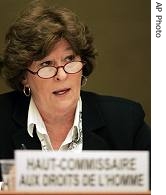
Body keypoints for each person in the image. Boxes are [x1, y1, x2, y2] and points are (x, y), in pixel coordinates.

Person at [0, 0, 150, 180]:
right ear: (24, 77)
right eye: (47, 64)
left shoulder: (125, 122)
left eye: (70, 59)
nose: (62, 75)